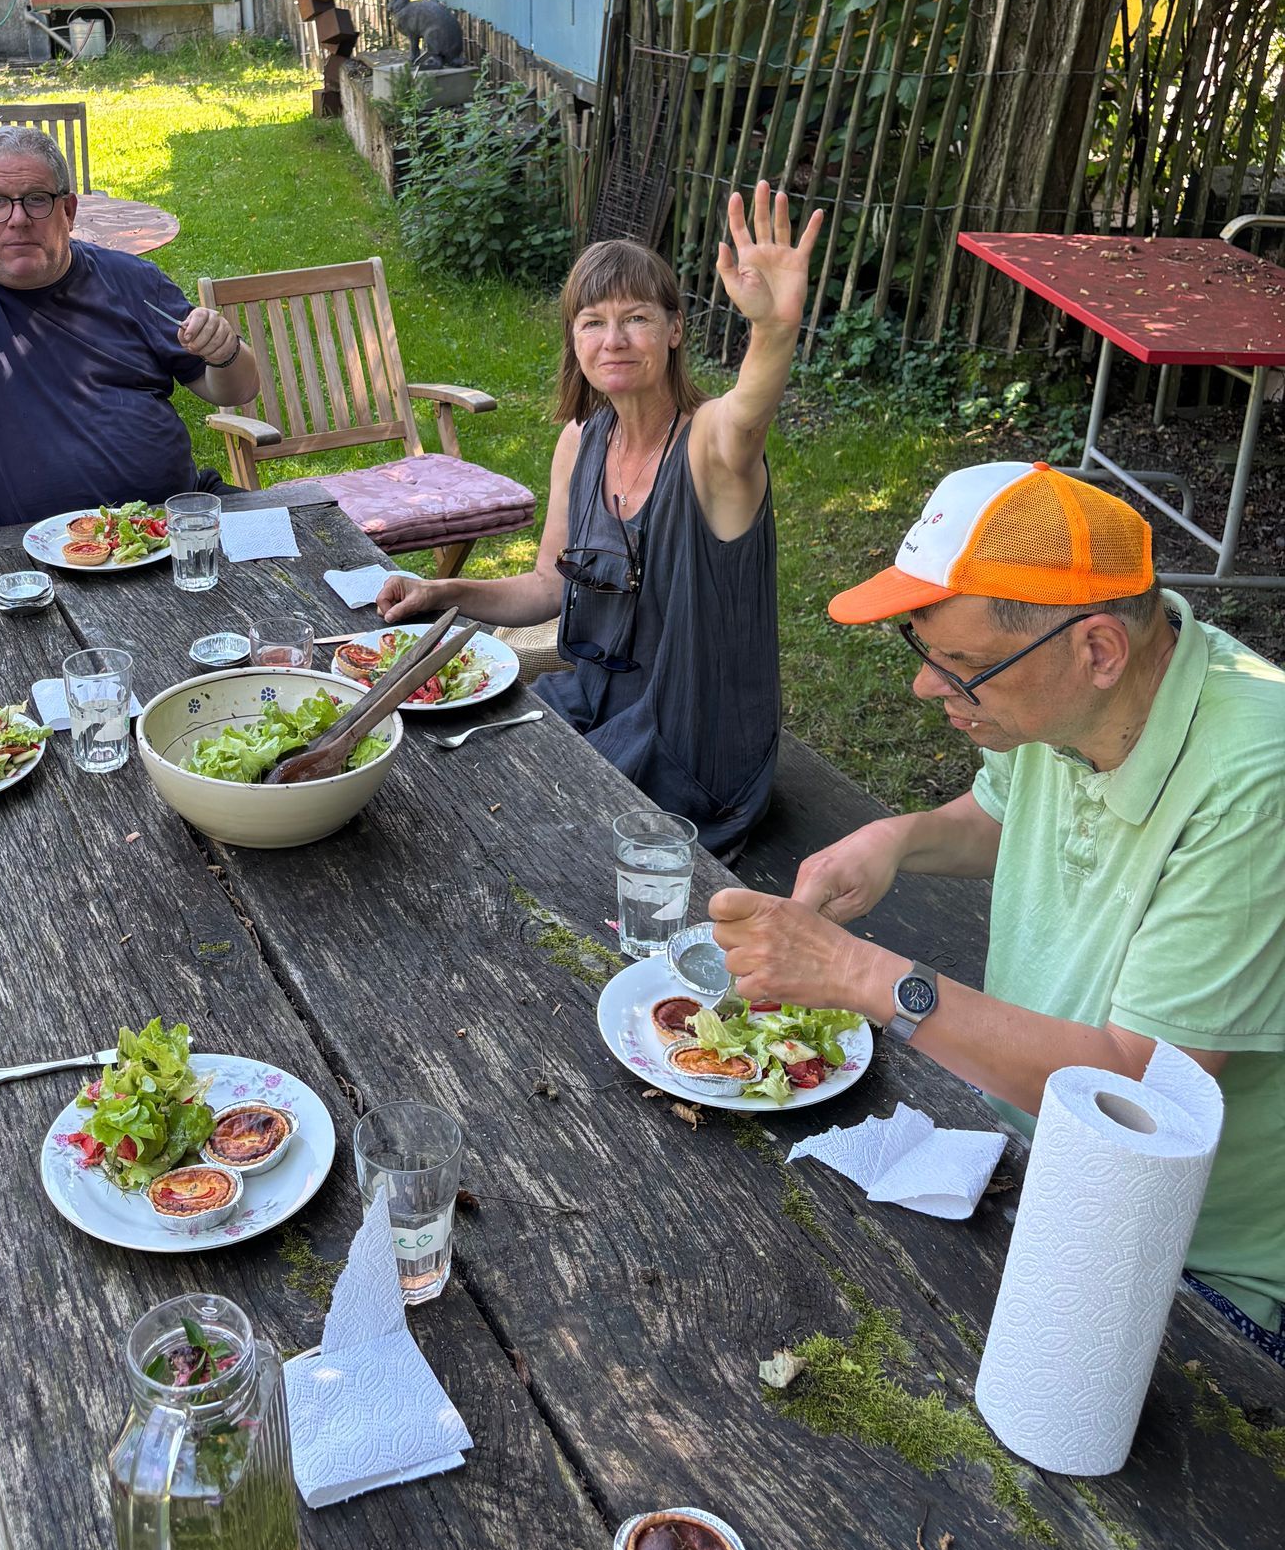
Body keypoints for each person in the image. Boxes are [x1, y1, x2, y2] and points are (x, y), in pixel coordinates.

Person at [709, 460, 1285, 1351]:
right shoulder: (1074, 699)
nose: (926, 687)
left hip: (1184, 1270)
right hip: (1018, 1152)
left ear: (1098, 649)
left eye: (963, 665)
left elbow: (1138, 1088)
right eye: (923, 649)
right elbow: (1000, 814)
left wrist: (861, 974)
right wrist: (899, 838)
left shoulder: (1259, 783)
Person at [377, 182, 821, 850]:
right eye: (592, 322)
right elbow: (550, 586)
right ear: (574, 340)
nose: (613, 339)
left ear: (674, 330)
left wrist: (774, 328)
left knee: (515, 837)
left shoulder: (709, 446)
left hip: (690, 743)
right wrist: (444, 592)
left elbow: (748, 415)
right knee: (436, 771)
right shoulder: (582, 440)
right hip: (597, 702)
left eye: (636, 318)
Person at [0, 123, 262, 536]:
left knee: (298, 563)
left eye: (36, 199)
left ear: (69, 210)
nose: (18, 219)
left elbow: (234, 390)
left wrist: (224, 353)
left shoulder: (131, 280)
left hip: (162, 531)